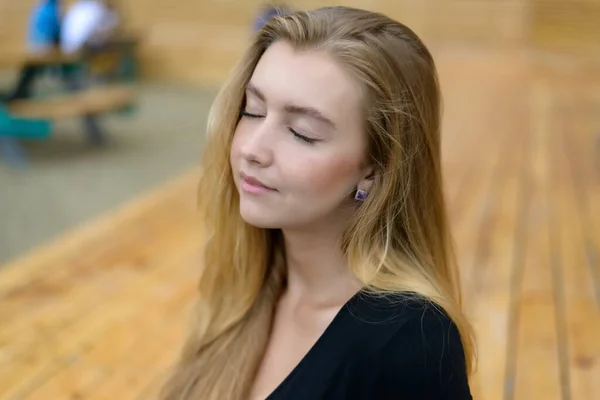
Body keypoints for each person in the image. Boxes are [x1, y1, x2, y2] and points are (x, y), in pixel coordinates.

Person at [160, 6, 475, 400]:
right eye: (251, 110)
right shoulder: (249, 290)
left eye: (302, 132)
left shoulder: (410, 341)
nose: (252, 149)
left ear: (375, 169)